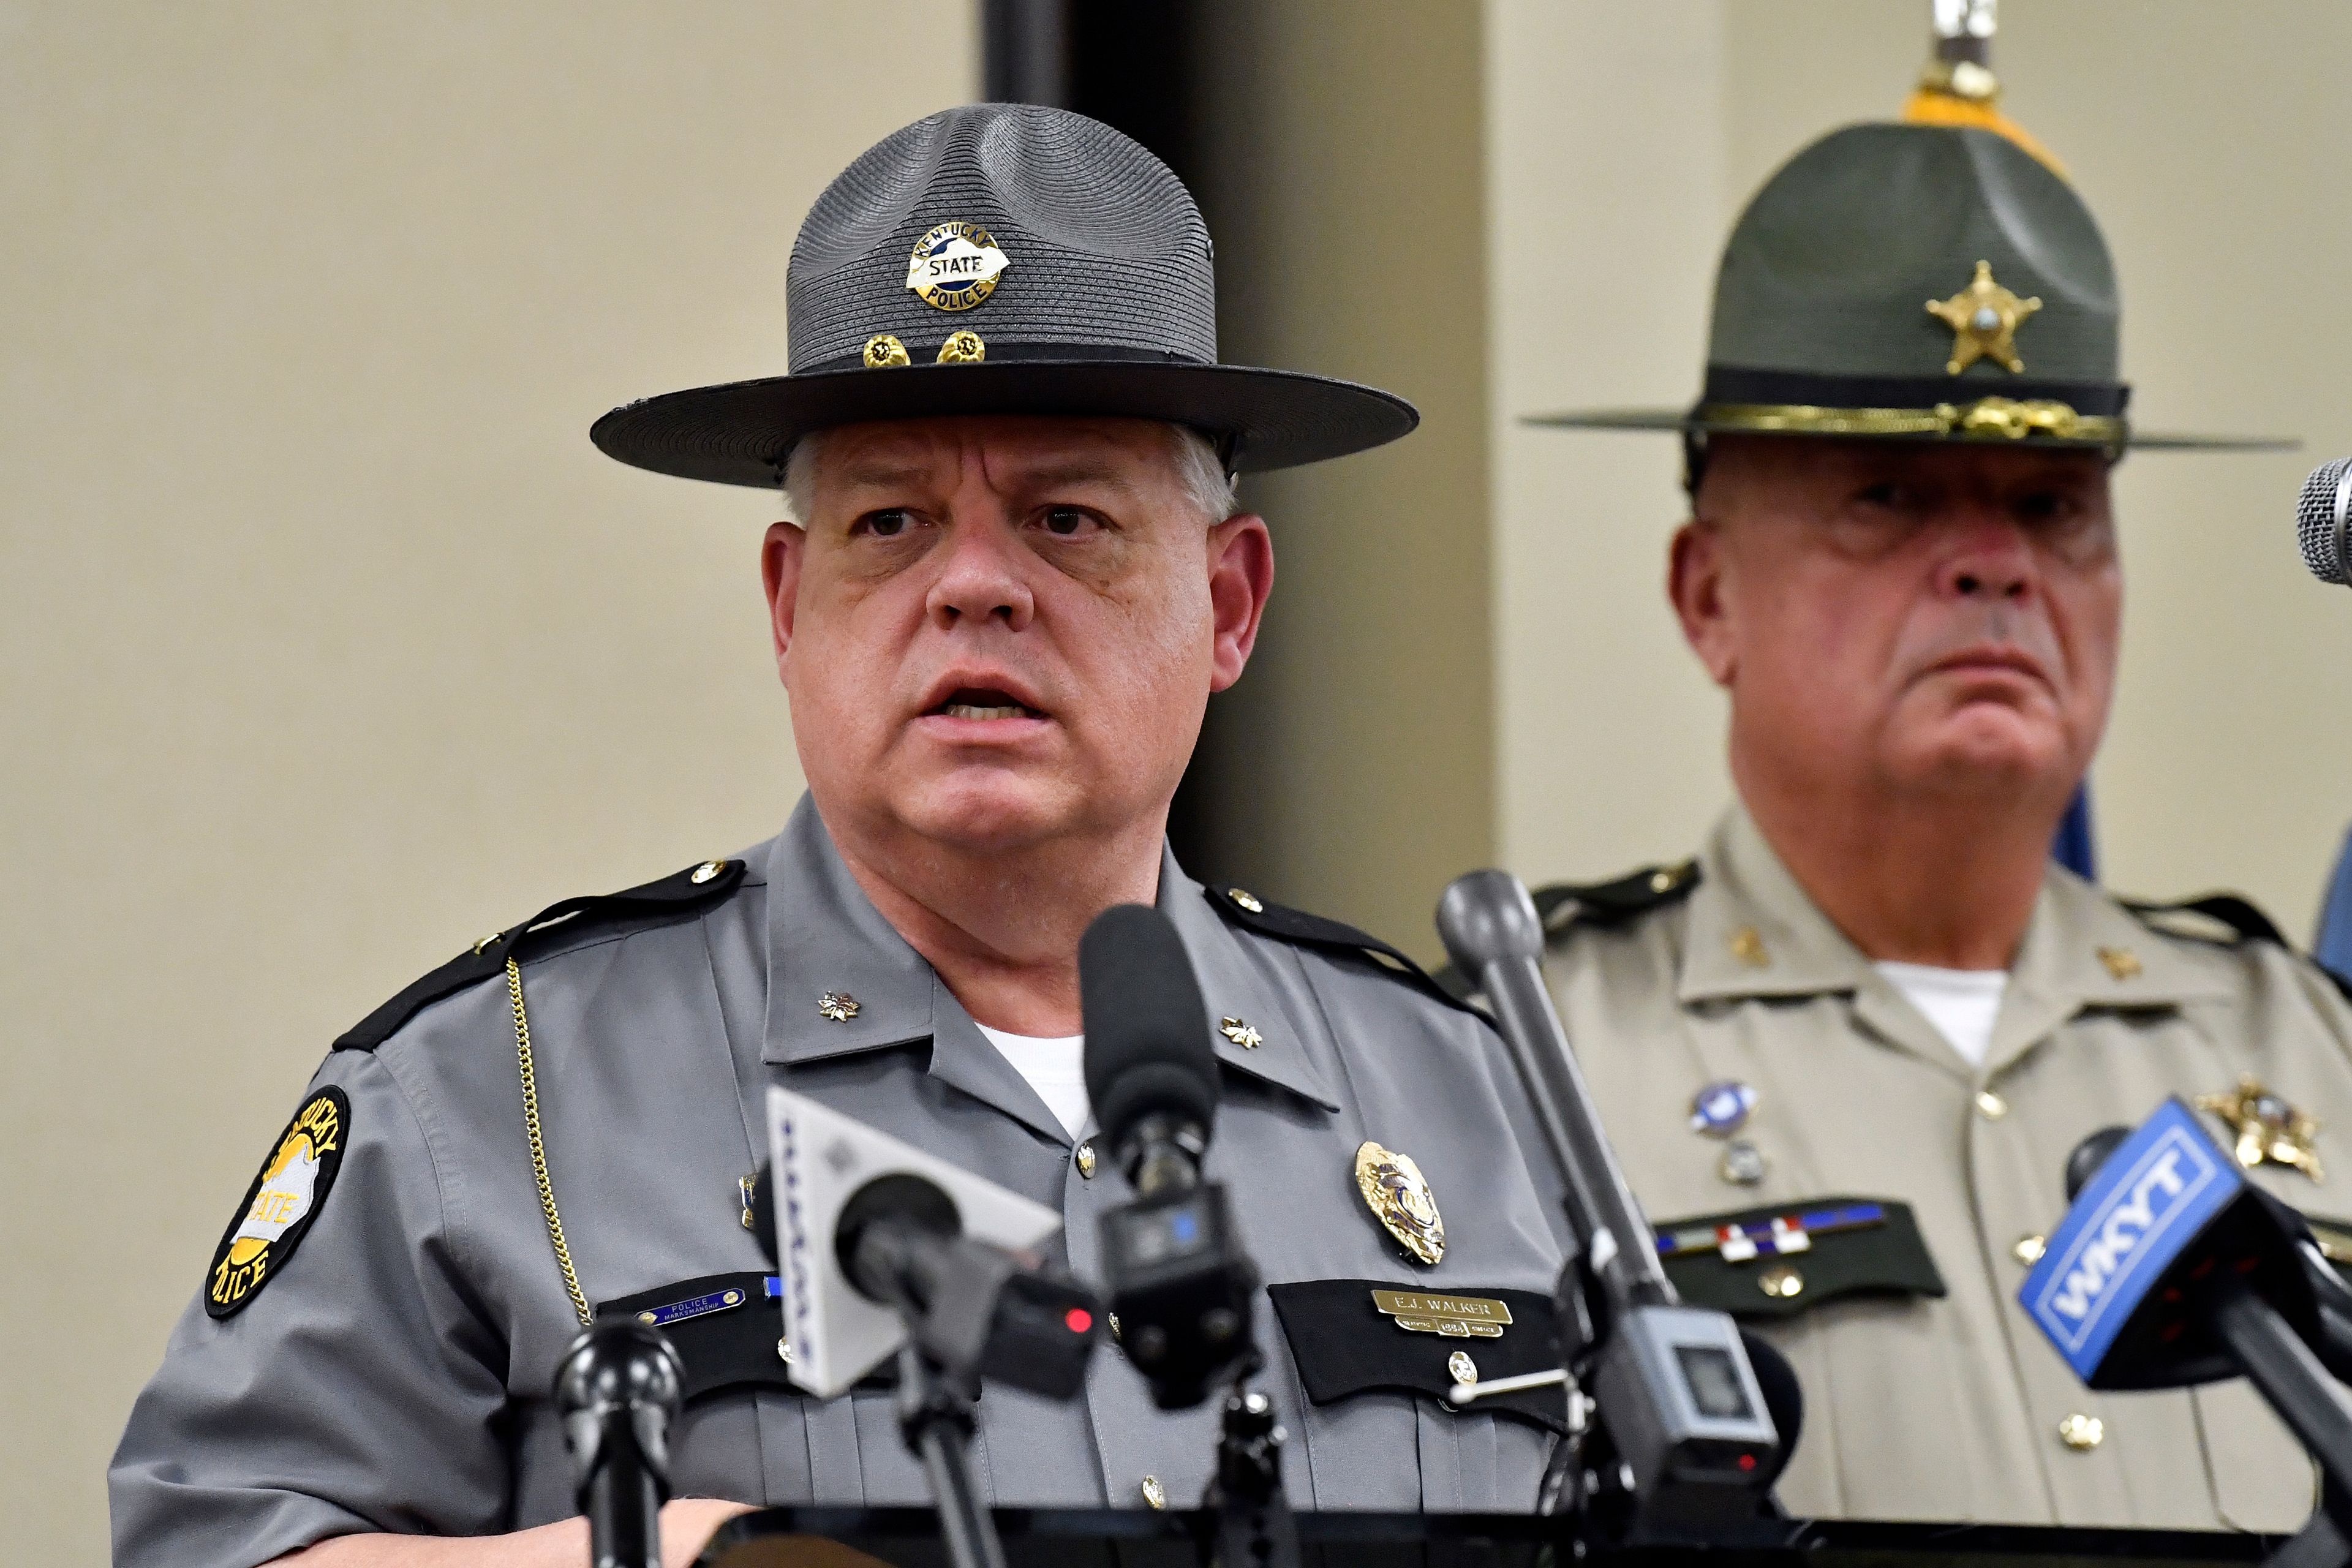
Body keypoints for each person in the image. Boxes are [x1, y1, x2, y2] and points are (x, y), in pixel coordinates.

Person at [111, 105, 1566, 1568]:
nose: (975, 586)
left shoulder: (1467, 1099)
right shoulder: (496, 1093)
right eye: (891, 524)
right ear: (787, 605)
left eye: (1067, 517)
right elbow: (209, 1543)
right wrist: (658, 1558)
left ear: (1231, 603)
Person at [1522, 53, 2347, 1532]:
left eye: (2053, 508)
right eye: (1891, 496)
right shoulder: (1534, 1063)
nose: (1994, 566)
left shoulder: (2310, 1040)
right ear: (1707, 593)